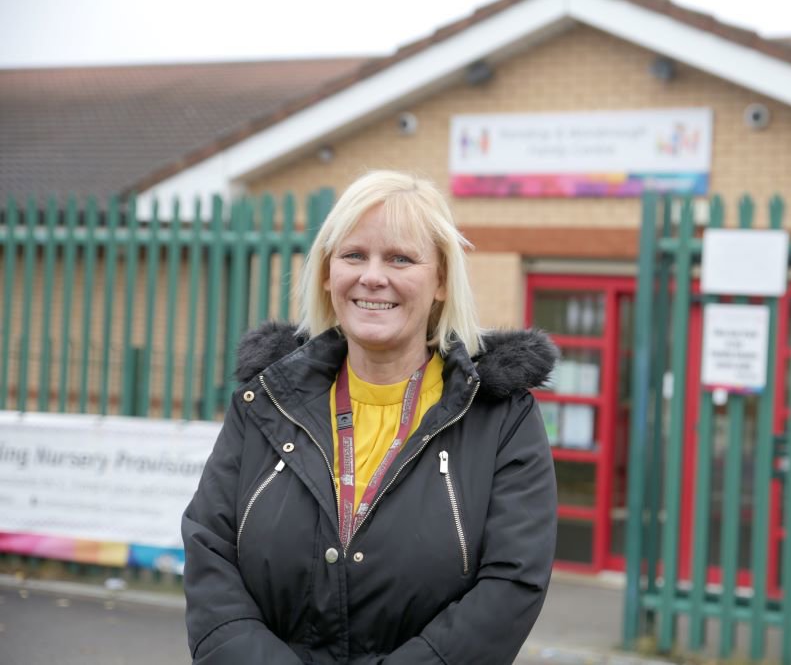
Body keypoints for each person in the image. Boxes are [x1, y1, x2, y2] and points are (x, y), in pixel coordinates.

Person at [182, 170, 558, 664]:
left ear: (442, 279)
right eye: (354, 255)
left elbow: (511, 583)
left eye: (400, 258)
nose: (372, 276)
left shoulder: (500, 418)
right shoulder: (264, 402)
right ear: (326, 272)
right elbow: (210, 553)